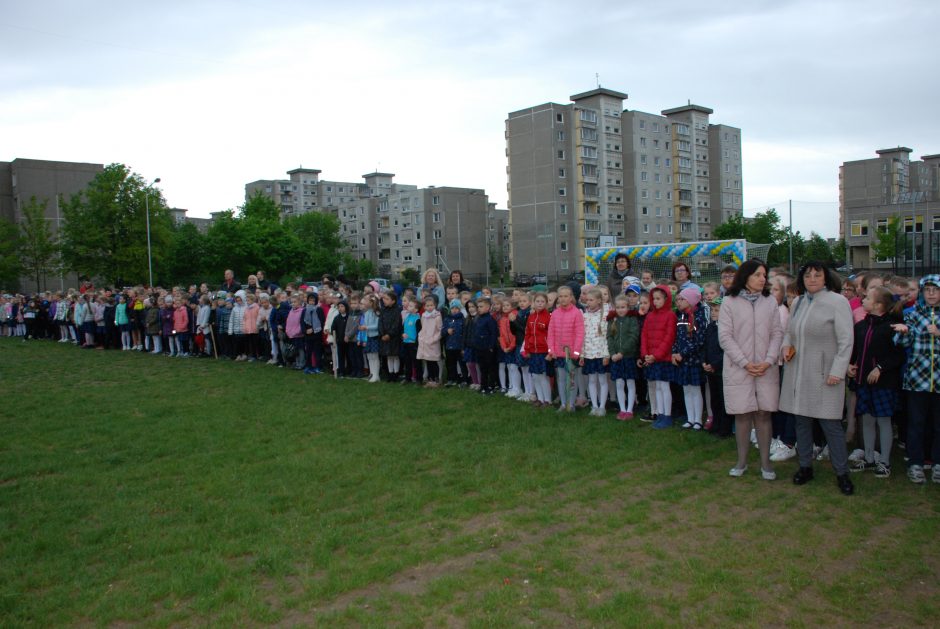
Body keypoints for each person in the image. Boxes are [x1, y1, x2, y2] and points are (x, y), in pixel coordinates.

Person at [780, 261, 855, 495]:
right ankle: (805, 466)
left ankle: (842, 472)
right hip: (799, 371)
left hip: (825, 373)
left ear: (825, 278)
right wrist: (785, 346)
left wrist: (838, 370)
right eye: (808, 275)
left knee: (830, 424)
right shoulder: (799, 302)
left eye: (817, 275)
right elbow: (789, 332)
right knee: (802, 422)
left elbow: (846, 340)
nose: (812, 279)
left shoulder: (837, 302)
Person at [718, 260, 783, 479]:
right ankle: (742, 462)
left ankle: (766, 464)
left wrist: (768, 360)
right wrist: (745, 362)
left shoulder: (770, 302)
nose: (762, 279)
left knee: (764, 414)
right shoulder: (729, 301)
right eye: (757, 275)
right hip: (740, 368)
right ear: (746, 276)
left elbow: (776, 334)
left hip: (765, 368)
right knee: (743, 414)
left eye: (764, 275)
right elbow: (725, 337)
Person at [848, 286, 904, 478]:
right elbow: (855, 351)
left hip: (884, 384)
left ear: (878, 304)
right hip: (864, 382)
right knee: (867, 420)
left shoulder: (891, 327)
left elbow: (897, 355)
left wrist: (879, 368)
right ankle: (870, 458)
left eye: (867, 298)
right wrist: (850, 365)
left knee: (883, 420)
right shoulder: (861, 326)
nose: (862, 300)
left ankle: (885, 461)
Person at [892, 274, 940, 484]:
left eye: (935, 290)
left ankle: (938, 464)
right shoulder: (912, 314)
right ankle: (915, 463)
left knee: (939, 426)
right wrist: (902, 332)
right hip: (917, 379)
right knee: (916, 424)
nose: (931, 294)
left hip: (938, 379)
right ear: (921, 293)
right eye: (927, 290)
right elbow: (901, 341)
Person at [641, 286, 677, 428]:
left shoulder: (670, 315)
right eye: (653, 299)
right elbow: (644, 335)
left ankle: (667, 415)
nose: (655, 302)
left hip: (663, 359)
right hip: (651, 358)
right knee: (656, 388)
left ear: (666, 299)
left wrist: (656, 356)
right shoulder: (650, 316)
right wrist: (645, 354)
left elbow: (669, 338)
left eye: (658, 299)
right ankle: (660, 414)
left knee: (664, 386)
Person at [672, 287, 708, 430]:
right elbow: (677, 337)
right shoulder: (681, 316)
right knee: (686, 389)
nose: (679, 302)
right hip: (682, 359)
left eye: (682, 299)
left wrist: (683, 353)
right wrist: (675, 352)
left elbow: (698, 340)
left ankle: (698, 419)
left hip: (693, 360)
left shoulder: (698, 316)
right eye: (678, 299)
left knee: (695, 389)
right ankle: (690, 418)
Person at [547, 285, 584, 412]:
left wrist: (576, 351)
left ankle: (571, 404)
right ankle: (563, 404)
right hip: (558, 353)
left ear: (571, 297)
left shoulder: (576, 313)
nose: (563, 299)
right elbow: (550, 333)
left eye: (566, 296)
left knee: (572, 380)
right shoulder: (555, 313)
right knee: (561, 379)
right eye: (560, 296)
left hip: (571, 354)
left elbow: (580, 333)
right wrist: (551, 350)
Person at [607, 294, 639, 420]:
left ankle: (630, 410)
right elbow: (609, 337)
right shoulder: (612, 320)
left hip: (628, 357)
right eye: (618, 307)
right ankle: (622, 409)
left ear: (628, 307)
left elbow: (633, 337)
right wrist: (613, 353)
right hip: (616, 358)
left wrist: (622, 353)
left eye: (623, 307)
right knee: (619, 383)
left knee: (630, 383)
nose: (621, 310)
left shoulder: (632, 320)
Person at [580, 287, 610, 417]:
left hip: (601, 353)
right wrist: (581, 354)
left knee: (602, 380)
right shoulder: (584, 316)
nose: (588, 302)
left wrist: (606, 354)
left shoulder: (606, 315)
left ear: (599, 300)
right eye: (587, 300)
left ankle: (602, 406)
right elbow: (582, 336)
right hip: (588, 354)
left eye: (591, 300)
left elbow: (607, 337)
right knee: (591, 380)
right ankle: (594, 406)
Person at [471, 297, 499, 395]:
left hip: (488, 348)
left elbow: (493, 334)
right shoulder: (478, 319)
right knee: (482, 368)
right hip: (479, 347)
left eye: (481, 306)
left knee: (490, 368)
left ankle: (491, 386)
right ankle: (483, 386)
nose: (479, 308)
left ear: (488, 307)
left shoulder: (490, 320)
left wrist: (491, 347)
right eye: (478, 307)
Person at [417, 295, 442, 387]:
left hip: (433, 343)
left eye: (431, 305)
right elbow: (423, 328)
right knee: (428, 361)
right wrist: (421, 337)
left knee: (434, 361)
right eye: (427, 306)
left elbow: (440, 330)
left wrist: (433, 340)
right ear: (424, 307)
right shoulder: (423, 316)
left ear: (435, 305)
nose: (429, 307)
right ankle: (430, 379)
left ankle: (436, 379)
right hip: (425, 341)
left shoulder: (437, 316)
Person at [378, 289, 403, 382]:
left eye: (387, 299)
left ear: (393, 301)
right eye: (384, 298)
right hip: (384, 336)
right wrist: (382, 334)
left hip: (394, 337)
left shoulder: (397, 310)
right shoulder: (383, 310)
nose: (384, 300)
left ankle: (395, 374)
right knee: (388, 356)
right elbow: (380, 322)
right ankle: (390, 373)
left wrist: (389, 334)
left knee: (395, 355)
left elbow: (397, 324)